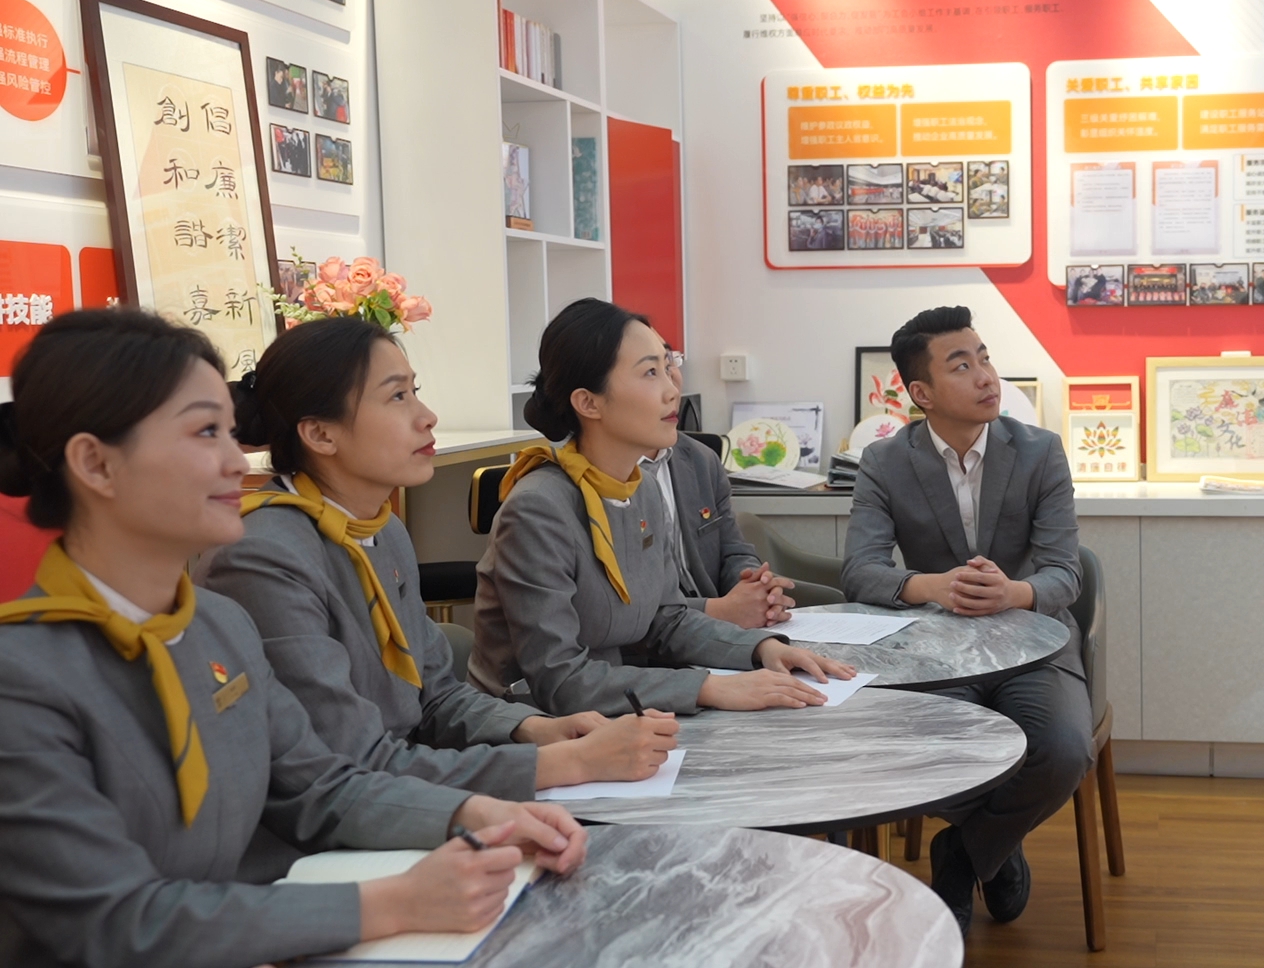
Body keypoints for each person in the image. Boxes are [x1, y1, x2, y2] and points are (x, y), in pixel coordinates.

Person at [0, 309, 588, 968]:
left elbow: (320, 786)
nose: (235, 461)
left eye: (229, 431)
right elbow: (111, 922)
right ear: (96, 464)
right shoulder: (21, 678)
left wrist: (478, 816)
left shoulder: (216, 624)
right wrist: (391, 904)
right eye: (204, 432)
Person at [196, 317, 679, 845]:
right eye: (397, 397)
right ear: (320, 433)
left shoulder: (381, 529)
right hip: (332, 834)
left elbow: (435, 696)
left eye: (415, 391)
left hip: (403, 793)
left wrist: (537, 730)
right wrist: (564, 763)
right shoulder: (265, 556)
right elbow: (354, 763)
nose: (427, 417)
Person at [468, 298, 851, 717]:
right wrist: (709, 688)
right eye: (650, 372)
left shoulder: (642, 489)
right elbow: (559, 679)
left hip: (617, 714)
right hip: (533, 726)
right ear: (588, 403)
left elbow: (665, 620)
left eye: (668, 368)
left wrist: (762, 649)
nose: (672, 389)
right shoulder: (538, 509)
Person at [841, 305, 1093, 936]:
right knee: (919, 751)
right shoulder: (884, 461)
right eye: (961, 365)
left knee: (1063, 752)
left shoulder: (1039, 451)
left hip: (1033, 643)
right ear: (921, 393)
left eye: (985, 358)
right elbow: (861, 571)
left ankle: (963, 852)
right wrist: (931, 586)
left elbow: (1066, 573)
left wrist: (1014, 592)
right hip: (937, 649)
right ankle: (995, 847)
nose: (986, 376)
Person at [640, 333, 796, 629]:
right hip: (655, 643)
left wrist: (755, 588)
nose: (672, 385)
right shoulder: (598, 478)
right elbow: (626, 607)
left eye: (669, 362)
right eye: (650, 370)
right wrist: (719, 610)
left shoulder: (700, 459)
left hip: (714, 633)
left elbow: (733, 549)